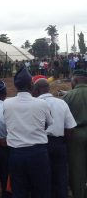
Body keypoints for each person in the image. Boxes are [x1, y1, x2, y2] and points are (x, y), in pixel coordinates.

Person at [3, 67, 53, 198]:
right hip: (38, 154)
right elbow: (49, 124)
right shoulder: (42, 103)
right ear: (31, 85)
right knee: (41, 191)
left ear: (16, 85)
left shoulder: (7, 103)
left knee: (19, 191)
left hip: (16, 154)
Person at [33, 78, 77, 198]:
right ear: (48, 89)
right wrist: (64, 143)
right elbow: (70, 128)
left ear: (36, 90)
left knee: (43, 178)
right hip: (59, 143)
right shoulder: (61, 103)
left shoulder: (34, 103)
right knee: (61, 177)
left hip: (40, 145)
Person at [63, 69, 87, 198]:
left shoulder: (68, 96)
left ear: (76, 80)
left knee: (77, 169)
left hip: (75, 135)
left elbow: (63, 120)